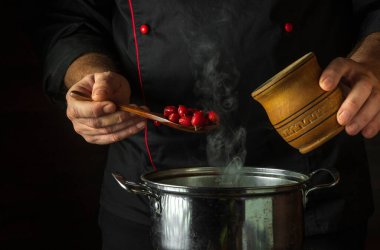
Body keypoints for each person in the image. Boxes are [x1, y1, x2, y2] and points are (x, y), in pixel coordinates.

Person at [40, 1, 380, 249]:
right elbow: (70, 17)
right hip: (152, 193)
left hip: (309, 190)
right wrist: (91, 75)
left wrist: (374, 58)